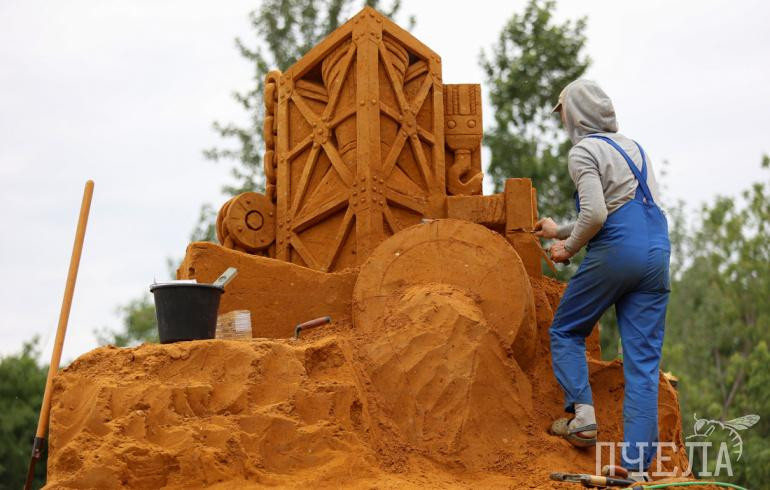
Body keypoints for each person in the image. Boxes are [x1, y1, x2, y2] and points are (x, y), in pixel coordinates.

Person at [536, 79, 670, 482]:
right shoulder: (636, 149)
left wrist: (568, 247)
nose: (563, 122)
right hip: (656, 252)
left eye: (563, 114)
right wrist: (559, 230)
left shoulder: (583, 151)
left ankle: (583, 418)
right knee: (643, 363)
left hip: (618, 248)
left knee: (566, 328)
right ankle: (636, 467)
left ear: (576, 115)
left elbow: (595, 214)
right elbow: (619, 203)